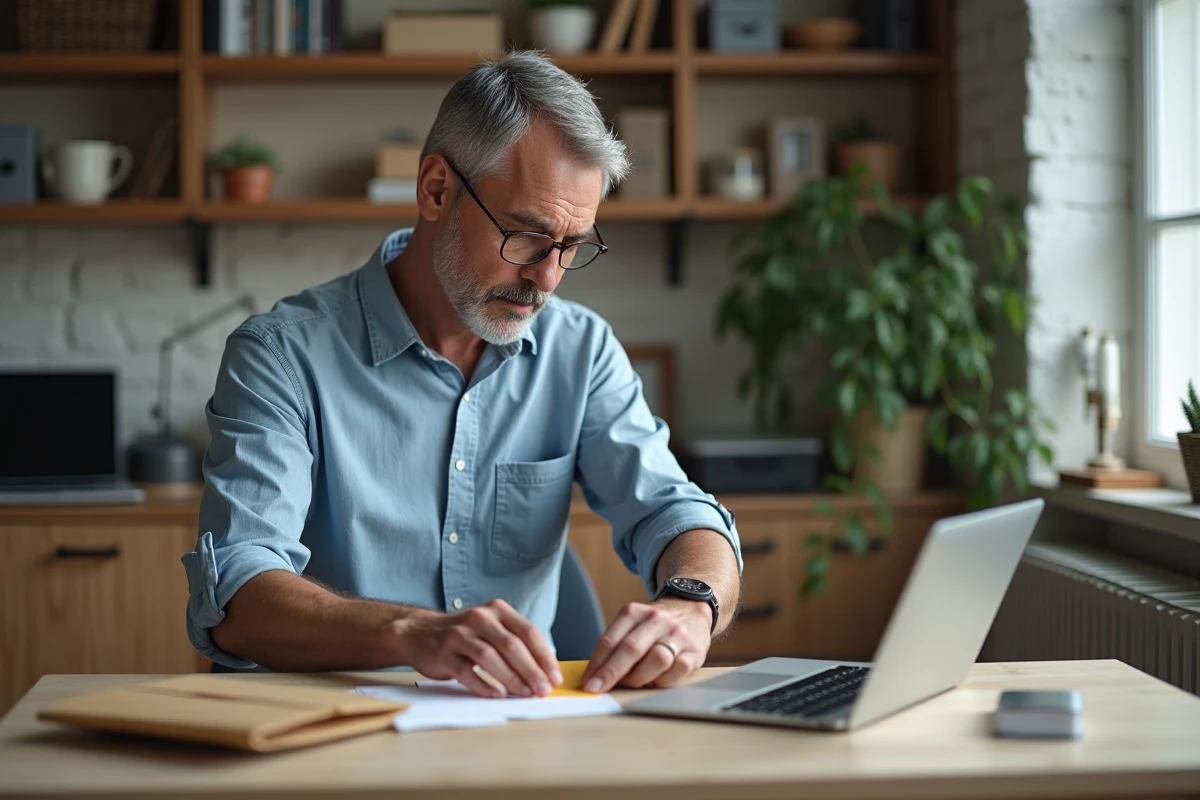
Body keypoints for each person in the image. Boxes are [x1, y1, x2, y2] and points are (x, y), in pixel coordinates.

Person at [183, 50, 742, 699]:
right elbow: (238, 594)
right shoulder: (280, 356)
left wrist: (691, 604)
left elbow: (675, 510)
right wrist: (412, 633)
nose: (547, 278)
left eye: (572, 246)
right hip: (326, 728)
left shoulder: (580, 350)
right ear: (436, 189)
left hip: (515, 731)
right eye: (525, 235)